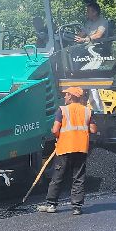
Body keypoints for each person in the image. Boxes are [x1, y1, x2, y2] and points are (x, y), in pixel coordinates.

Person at [39, 86, 96, 215]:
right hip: (81, 148)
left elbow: (55, 130)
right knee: (78, 178)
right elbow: (93, 130)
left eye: (66, 94)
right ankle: (77, 207)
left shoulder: (62, 110)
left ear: (71, 96)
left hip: (65, 148)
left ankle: (51, 204)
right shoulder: (87, 111)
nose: (64, 96)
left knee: (58, 176)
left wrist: (58, 135)